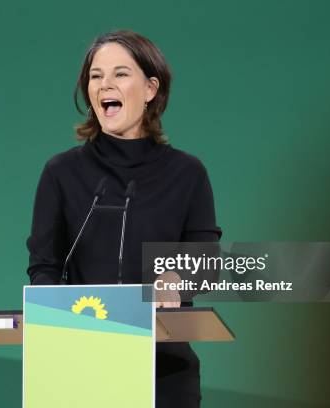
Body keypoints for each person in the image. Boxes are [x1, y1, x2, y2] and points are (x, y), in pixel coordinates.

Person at [26, 30, 222, 408]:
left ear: (151, 88)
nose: (104, 85)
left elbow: (206, 258)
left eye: (119, 74)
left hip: (162, 369)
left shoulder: (187, 173)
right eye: (95, 75)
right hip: (80, 364)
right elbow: (44, 266)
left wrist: (177, 281)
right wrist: (48, 308)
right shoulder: (62, 172)